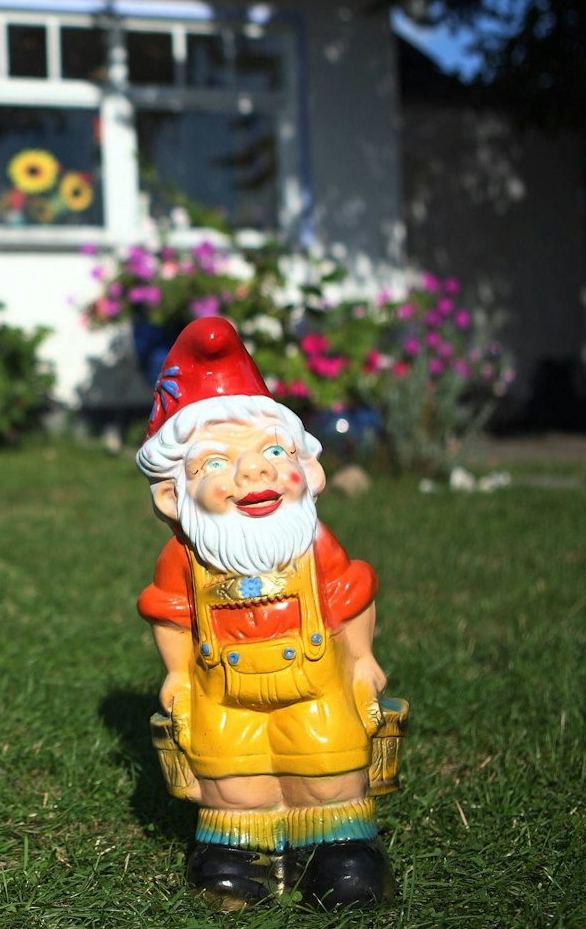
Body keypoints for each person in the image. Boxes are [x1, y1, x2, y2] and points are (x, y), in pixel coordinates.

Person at [134, 316, 399, 910]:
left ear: (309, 471)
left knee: (328, 761)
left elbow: (350, 595)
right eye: (216, 464)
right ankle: (239, 854)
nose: (252, 472)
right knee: (231, 773)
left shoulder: (314, 546)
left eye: (272, 452)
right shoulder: (185, 556)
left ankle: (337, 850)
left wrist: (361, 660)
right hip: (222, 689)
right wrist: (176, 674)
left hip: (315, 685)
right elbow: (171, 613)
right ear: (171, 496)